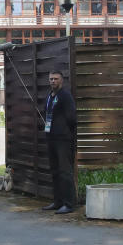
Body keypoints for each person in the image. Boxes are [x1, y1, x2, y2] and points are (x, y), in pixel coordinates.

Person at [42, 70, 77, 214]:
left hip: (63, 139)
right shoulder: (49, 96)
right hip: (51, 138)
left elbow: (72, 118)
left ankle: (69, 204)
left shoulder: (65, 96)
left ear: (61, 80)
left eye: (55, 79)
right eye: (50, 79)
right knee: (55, 171)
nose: (52, 81)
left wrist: (64, 130)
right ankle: (58, 201)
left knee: (65, 172)